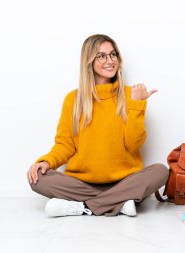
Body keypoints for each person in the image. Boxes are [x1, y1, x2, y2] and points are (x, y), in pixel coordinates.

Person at [27, 34, 169, 217]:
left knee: (160, 171)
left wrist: (137, 106)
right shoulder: (73, 99)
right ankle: (118, 203)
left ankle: (84, 207)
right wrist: (47, 161)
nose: (109, 61)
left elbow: (134, 144)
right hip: (82, 184)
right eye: (101, 56)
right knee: (36, 178)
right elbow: (65, 144)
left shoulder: (130, 94)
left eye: (113, 54)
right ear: (89, 61)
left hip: (124, 182)